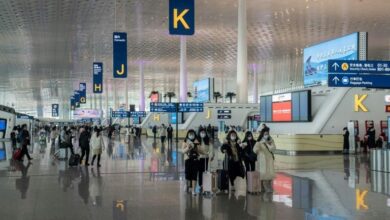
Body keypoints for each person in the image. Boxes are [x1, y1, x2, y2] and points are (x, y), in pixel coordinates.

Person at [181, 129, 200, 195]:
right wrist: (188, 148)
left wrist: (200, 155)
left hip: (195, 160)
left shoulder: (196, 141)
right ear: (188, 134)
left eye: (192, 134)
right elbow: (182, 151)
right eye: (190, 134)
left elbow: (199, 150)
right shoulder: (185, 141)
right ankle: (187, 185)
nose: (191, 135)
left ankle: (193, 190)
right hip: (188, 160)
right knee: (188, 174)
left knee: (194, 175)